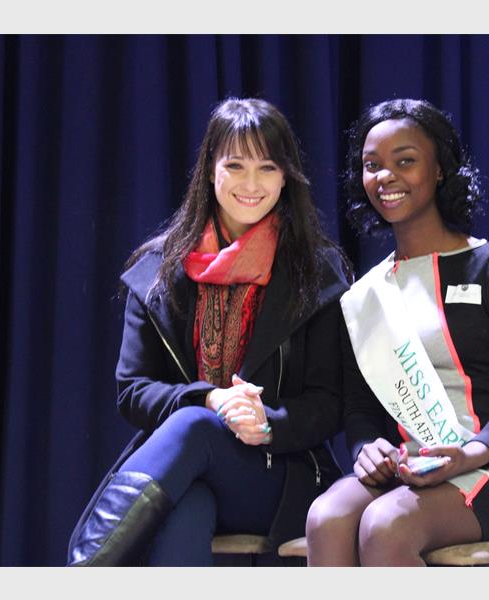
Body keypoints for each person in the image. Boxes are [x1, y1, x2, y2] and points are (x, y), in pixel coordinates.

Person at [67, 97, 351, 566]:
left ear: (285, 176)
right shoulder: (158, 269)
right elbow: (132, 390)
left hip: (280, 472)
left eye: (267, 168)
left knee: (195, 427)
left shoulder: (316, 273)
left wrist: (267, 422)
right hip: (183, 470)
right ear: (210, 169)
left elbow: (331, 402)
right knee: (189, 503)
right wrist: (210, 399)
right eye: (235, 165)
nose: (251, 184)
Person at [305, 98, 489, 566]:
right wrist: (366, 449)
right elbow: (360, 410)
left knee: (386, 524)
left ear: (440, 168)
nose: (385, 177)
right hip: (407, 467)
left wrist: (468, 454)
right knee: (327, 517)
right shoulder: (366, 297)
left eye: (405, 161)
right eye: (372, 165)